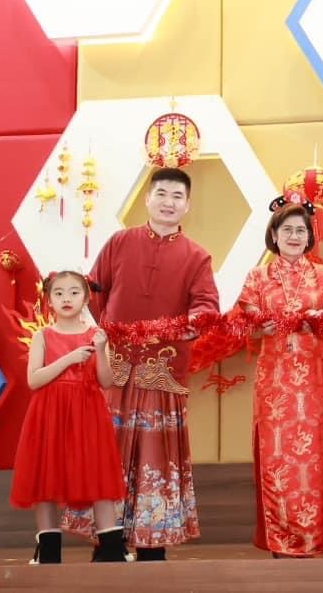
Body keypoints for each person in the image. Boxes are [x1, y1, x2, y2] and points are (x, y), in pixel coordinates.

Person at [62, 167, 220, 561]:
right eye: (161, 193)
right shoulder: (120, 242)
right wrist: (113, 331)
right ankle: (107, 542)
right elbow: (94, 291)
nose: (169, 202)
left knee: (156, 457)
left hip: (161, 371)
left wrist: (185, 324)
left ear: (188, 205)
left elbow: (206, 306)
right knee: (107, 453)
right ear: (147, 199)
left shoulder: (197, 256)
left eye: (177, 196)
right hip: (114, 368)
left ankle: (153, 544)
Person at [239, 199, 323, 558]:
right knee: (277, 457)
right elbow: (248, 327)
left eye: (301, 230)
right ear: (274, 234)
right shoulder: (257, 277)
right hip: (275, 379)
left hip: (316, 378)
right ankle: (280, 541)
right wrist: (261, 327)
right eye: (288, 230)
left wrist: (319, 320)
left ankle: (317, 538)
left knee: (316, 457)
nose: (295, 236)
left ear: (310, 236)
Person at [10, 271, 126, 564]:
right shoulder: (43, 336)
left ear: (86, 298)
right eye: (59, 293)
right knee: (45, 479)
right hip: (49, 413)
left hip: (87, 413)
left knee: (97, 476)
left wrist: (101, 349)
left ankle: (111, 548)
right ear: (49, 300)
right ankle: (49, 551)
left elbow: (107, 381)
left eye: (74, 292)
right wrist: (69, 359)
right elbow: (34, 380)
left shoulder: (95, 336)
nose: (66, 298)